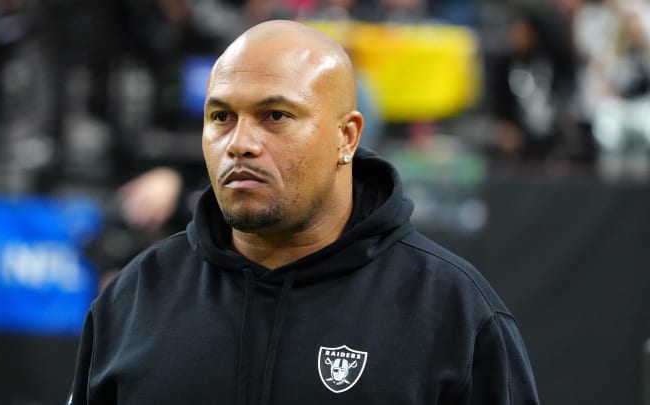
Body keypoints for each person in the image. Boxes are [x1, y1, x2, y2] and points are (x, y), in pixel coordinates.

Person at [68, 20, 540, 404]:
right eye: (221, 117)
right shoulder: (135, 298)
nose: (240, 144)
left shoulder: (452, 312)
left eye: (275, 116)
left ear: (347, 137)